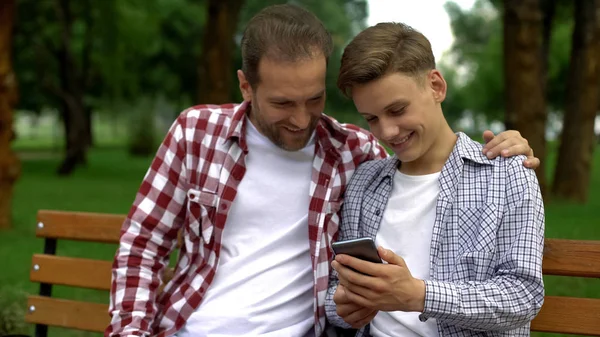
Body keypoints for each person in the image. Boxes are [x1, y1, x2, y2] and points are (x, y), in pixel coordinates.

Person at [106, 5, 540, 337]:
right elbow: (142, 244)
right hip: (189, 325)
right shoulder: (197, 133)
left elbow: (522, 291)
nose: (300, 119)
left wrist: (506, 151)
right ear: (245, 86)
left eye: (314, 100)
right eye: (282, 103)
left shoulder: (355, 154)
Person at [325, 22, 545, 337]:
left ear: (436, 86)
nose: (387, 132)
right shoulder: (364, 181)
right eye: (372, 118)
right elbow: (338, 290)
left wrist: (417, 295)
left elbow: (523, 296)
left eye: (397, 110)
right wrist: (345, 307)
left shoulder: (507, 173)